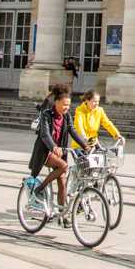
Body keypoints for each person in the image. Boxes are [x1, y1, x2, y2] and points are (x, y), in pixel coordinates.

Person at [28, 84, 92, 222]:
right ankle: (40, 188)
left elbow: (73, 131)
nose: (66, 108)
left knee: (62, 182)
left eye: (68, 105)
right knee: (64, 166)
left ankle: (63, 215)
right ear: (56, 102)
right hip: (45, 152)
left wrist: (84, 145)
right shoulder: (46, 115)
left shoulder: (67, 116)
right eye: (64, 105)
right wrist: (53, 147)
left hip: (59, 153)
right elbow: (45, 134)